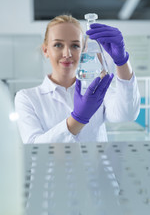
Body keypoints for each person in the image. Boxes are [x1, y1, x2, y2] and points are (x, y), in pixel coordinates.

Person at [15, 14, 140, 143]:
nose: (67, 54)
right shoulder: (27, 97)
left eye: (75, 46)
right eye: (58, 45)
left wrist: (122, 61)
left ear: (84, 49)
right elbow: (33, 147)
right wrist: (78, 119)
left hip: (97, 163)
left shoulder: (96, 90)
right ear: (46, 50)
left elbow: (126, 114)